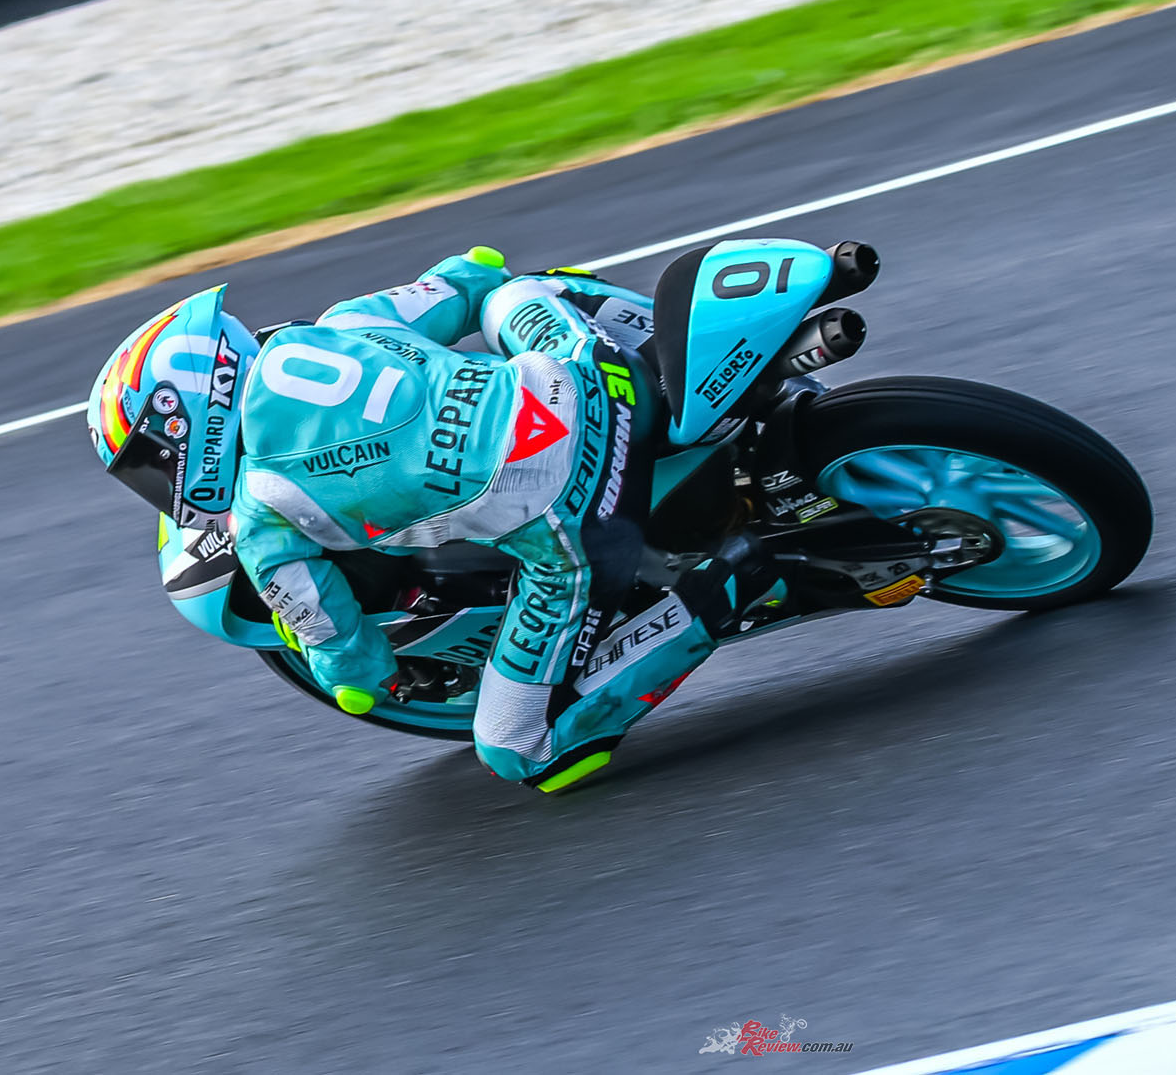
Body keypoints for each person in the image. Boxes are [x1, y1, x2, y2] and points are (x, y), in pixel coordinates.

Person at [89, 247, 770, 792]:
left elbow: (346, 652)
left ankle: (740, 579)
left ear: (187, 422)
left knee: (519, 748)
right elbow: (470, 278)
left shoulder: (262, 518)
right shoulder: (341, 324)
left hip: (574, 509)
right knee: (518, 292)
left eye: (151, 462)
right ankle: (704, 367)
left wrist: (366, 682)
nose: (159, 483)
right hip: (590, 374)